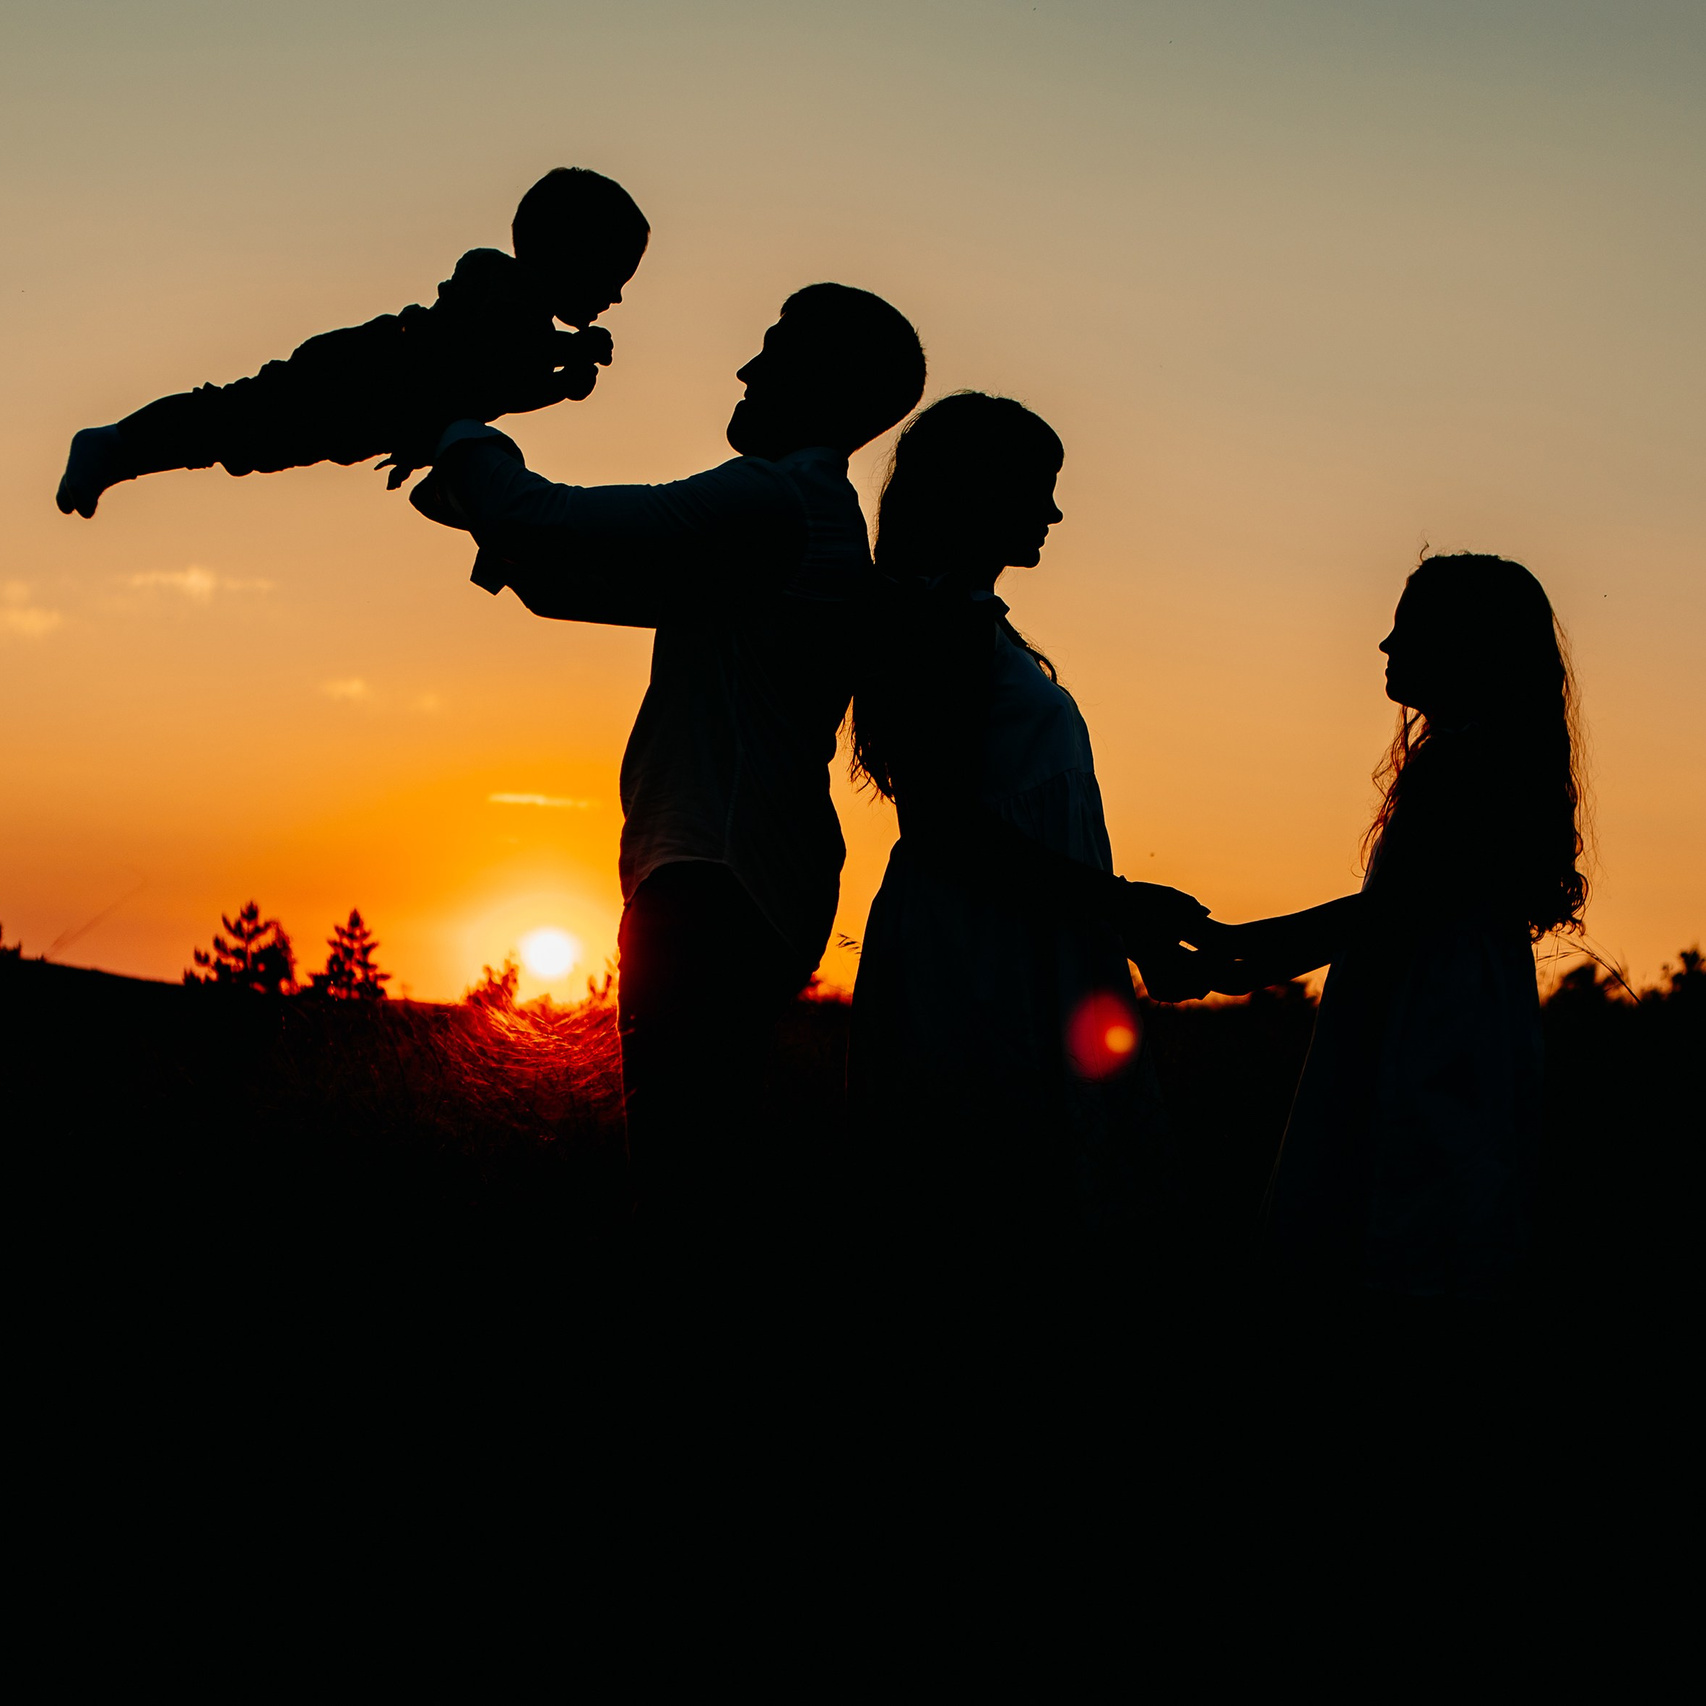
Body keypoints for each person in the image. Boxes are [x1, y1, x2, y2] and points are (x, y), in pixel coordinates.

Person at [409, 282, 927, 1250]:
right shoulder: (808, 515)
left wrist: (459, 428)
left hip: (710, 888)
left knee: (682, 1199)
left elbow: (555, 530)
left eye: (770, 350)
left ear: (821, 383)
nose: (744, 368)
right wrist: (482, 501)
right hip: (744, 887)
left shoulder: (772, 500)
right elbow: (565, 581)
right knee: (696, 1180)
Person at [844, 392, 1218, 1328]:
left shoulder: (964, 620)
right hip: (978, 955)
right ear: (979, 493)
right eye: (1038, 491)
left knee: (1007, 1220)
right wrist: (1121, 904)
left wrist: (1117, 922)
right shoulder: (944, 623)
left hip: (1005, 939)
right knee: (991, 1224)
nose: (1052, 515)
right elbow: (946, 825)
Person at [1208, 553, 1586, 1311]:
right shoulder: (1480, 760)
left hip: (1432, 1033)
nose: (1384, 645)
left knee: (1406, 1234)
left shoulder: (1463, 767)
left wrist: (1236, 954)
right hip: (1451, 1023)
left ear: (1466, 646)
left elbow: (1383, 916)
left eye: (1407, 629)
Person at [55, 167, 648, 517]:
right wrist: (562, 365)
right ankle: (114, 444)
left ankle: (120, 455)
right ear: (571, 258)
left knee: (241, 438)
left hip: (366, 403)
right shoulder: (503, 293)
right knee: (235, 421)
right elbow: (482, 361)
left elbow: (479, 392)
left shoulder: (519, 318)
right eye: (611, 279)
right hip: (358, 372)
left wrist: (557, 381)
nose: (615, 298)